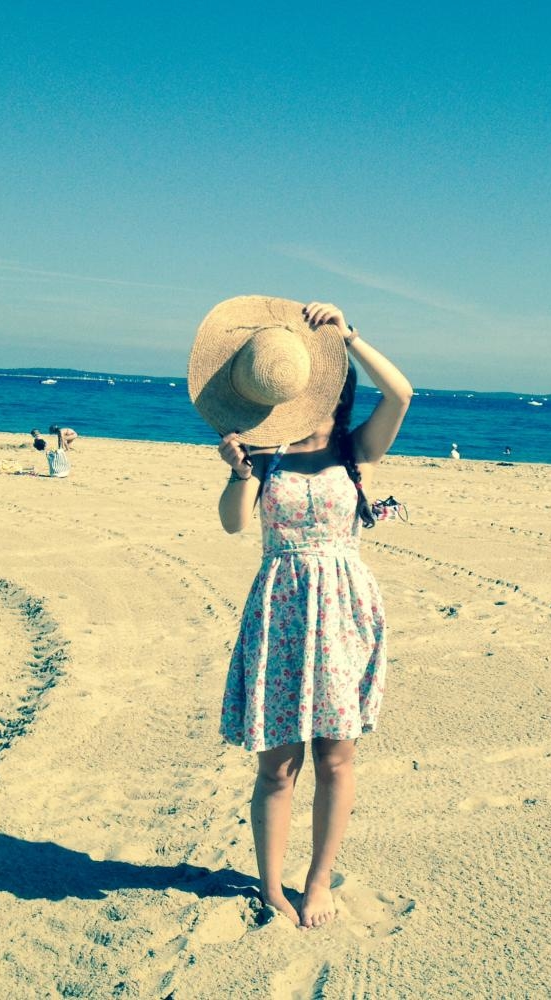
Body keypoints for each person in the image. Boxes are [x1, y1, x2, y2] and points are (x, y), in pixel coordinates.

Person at [190, 295, 412, 930]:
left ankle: (318, 881)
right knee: (276, 766)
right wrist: (238, 473)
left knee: (336, 759)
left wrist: (351, 336)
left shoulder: (356, 450)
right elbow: (233, 525)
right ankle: (270, 887)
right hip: (281, 609)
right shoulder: (266, 454)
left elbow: (400, 394)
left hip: (344, 611)